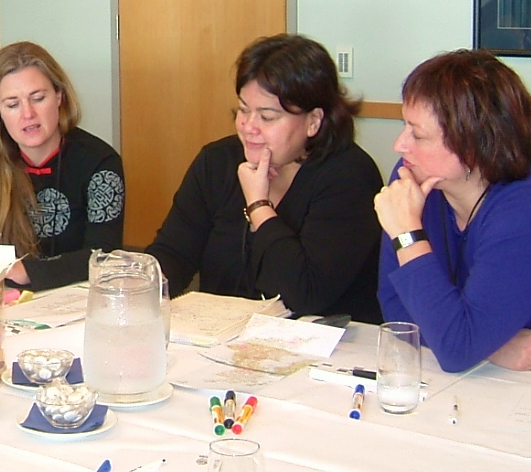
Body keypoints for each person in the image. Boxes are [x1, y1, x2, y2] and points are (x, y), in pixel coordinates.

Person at [145, 34, 383, 323]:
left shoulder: (349, 176)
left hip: (325, 350)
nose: (248, 127)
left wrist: (259, 206)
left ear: (314, 121)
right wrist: (137, 284)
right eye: (243, 110)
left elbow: (304, 294)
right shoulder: (217, 161)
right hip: (220, 340)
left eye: (267, 117)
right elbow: (174, 253)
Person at [375, 49, 531, 373]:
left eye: (417, 134)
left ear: (474, 145)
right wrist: (493, 347)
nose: (400, 145)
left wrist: (408, 234)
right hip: (486, 376)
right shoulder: (414, 179)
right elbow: (395, 308)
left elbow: (457, 352)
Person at [0, 41, 125, 290]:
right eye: (12, 104)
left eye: (38, 98)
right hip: (0, 299)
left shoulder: (100, 164)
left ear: (59, 96)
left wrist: (26, 271)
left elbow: (104, 256)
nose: (28, 113)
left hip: (71, 302)